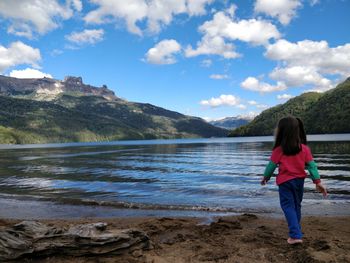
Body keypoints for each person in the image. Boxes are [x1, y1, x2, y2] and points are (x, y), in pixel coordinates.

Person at [261, 116, 327, 245]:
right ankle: (297, 231)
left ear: (281, 132)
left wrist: (265, 177)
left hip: (285, 182)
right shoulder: (304, 149)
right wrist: (317, 182)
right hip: (299, 181)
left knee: (287, 206)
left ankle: (295, 235)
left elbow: (271, 166)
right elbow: (312, 166)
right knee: (296, 206)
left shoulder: (278, 150)